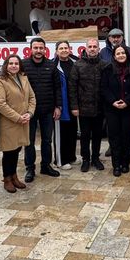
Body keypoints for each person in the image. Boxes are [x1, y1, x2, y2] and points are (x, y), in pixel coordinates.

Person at [0, 55, 36, 193]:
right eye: (11, 63)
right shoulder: (1, 80)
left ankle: (14, 176)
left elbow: (32, 97)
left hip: (23, 120)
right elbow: (0, 104)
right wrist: (18, 118)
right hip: (9, 122)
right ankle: (7, 179)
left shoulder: (23, 77)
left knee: (17, 149)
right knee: (9, 151)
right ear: (6, 65)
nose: (13, 66)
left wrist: (29, 113)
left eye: (16, 63)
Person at [22, 37, 62, 181]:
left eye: (41, 48)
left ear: (45, 50)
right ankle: (30, 168)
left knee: (47, 140)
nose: (38, 50)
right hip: (29, 111)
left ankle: (46, 166)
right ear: (30, 49)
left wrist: (58, 106)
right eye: (36, 48)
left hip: (47, 110)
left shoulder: (51, 65)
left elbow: (57, 87)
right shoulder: (23, 65)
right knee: (29, 141)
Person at [101, 45, 130, 176]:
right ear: (114, 56)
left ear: (127, 54)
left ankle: (125, 163)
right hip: (112, 109)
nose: (121, 55)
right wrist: (113, 101)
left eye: (123, 53)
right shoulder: (107, 69)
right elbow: (104, 88)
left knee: (126, 136)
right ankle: (116, 165)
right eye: (118, 53)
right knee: (114, 137)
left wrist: (127, 101)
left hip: (129, 108)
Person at [69, 38, 107, 172]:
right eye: (90, 47)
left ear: (98, 49)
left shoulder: (104, 65)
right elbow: (72, 87)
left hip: (100, 108)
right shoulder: (78, 65)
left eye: (94, 47)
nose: (92, 49)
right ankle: (85, 159)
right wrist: (74, 106)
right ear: (85, 49)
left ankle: (95, 158)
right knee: (85, 136)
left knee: (97, 135)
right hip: (83, 109)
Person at [53, 41, 79, 169]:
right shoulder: (53, 65)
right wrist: (56, 105)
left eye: (66, 48)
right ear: (57, 51)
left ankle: (71, 157)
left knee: (72, 131)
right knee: (61, 133)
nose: (64, 50)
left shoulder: (75, 62)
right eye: (61, 48)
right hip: (60, 105)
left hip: (73, 103)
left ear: (70, 49)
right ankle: (60, 161)